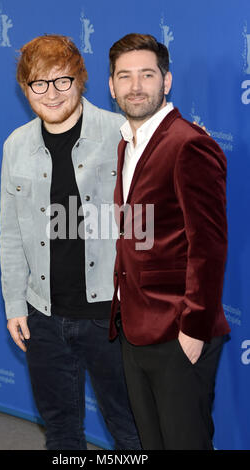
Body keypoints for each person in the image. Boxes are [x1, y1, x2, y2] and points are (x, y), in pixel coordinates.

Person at [0, 34, 140, 450]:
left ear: (81, 80)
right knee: (60, 430)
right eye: (38, 83)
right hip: (42, 315)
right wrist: (14, 305)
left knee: (131, 430)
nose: (51, 93)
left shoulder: (121, 133)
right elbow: (10, 233)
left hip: (111, 316)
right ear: (26, 90)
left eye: (62, 81)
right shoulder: (15, 146)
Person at [108, 33, 230, 450]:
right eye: (125, 76)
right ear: (111, 86)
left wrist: (193, 330)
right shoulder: (128, 143)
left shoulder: (189, 144)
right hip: (136, 327)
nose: (135, 86)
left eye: (147, 74)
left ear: (167, 81)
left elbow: (209, 246)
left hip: (179, 330)